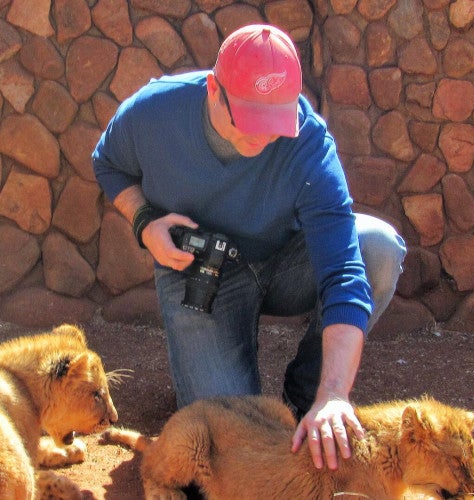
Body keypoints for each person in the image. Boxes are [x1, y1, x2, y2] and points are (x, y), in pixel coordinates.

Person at [92, 24, 406, 470]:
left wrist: (334, 394)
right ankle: (227, 376)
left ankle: (308, 396)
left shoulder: (309, 142)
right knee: (231, 445)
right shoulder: (153, 111)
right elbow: (108, 165)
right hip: (200, 270)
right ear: (213, 89)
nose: (261, 139)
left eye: (274, 123)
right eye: (249, 120)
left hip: (285, 260)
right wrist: (144, 223)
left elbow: (344, 274)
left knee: (378, 249)